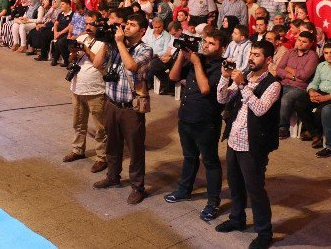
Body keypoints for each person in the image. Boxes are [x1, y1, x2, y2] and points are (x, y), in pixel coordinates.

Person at [216, 40, 282, 249]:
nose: (252, 58)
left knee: (255, 190)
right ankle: (237, 219)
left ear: (268, 59)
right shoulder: (244, 76)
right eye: (251, 54)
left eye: (257, 55)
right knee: (235, 185)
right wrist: (224, 78)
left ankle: (264, 232)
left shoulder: (273, 84)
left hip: (253, 145)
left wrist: (243, 85)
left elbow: (260, 109)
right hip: (234, 140)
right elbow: (222, 98)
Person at [92, 12, 153, 205]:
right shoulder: (116, 45)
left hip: (130, 108)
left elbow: (131, 66)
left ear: (142, 31)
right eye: (126, 24)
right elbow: (96, 63)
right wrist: (106, 41)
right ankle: (112, 176)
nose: (127, 27)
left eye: (132, 25)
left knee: (135, 149)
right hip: (111, 103)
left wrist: (119, 43)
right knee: (112, 144)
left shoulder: (145, 49)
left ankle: (137, 187)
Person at [166, 30, 227, 222]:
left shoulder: (223, 68)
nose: (207, 46)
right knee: (189, 157)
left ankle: (213, 202)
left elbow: (205, 88)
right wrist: (181, 57)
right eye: (206, 42)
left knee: (210, 162)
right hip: (186, 117)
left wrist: (196, 63)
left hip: (206, 122)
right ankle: (184, 190)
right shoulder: (195, 59)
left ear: (222, 48)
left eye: (212, 44)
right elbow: (173, 77)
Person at [62, 11, 108, 174]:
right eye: (86, 24)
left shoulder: (104, 43)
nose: (88, 27)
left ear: (98, 24)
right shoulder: (81, 38)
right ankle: (77, 150)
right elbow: (70, 60)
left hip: (95, 89)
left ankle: (102, 157)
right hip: (78, 87)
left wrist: (86, 50)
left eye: (91, 24)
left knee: (100, 127)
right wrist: (74, 52)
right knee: (78, 123)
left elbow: (99, 63)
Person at [295, 40, 331, 148]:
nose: (328, 56)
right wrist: (312, 92)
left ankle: (317, 135)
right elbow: (314, 82)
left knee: (320, 111)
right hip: (320, 93)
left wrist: (325, 98)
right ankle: (315, 133)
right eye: (326, 53)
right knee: (299, 102)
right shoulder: (321, 65)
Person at [276, 31, 319, 139]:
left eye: (304, 42)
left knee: (286, 99)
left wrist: (288, 69)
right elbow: (279, 69)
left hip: (299, 87)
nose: (300, 43)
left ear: (310, 43)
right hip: (284, 83)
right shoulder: (290, 52)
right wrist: (293, 76)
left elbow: (304, 76)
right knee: (269, 93)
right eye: (299, 40)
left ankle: (283, 129)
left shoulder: (312, 56)